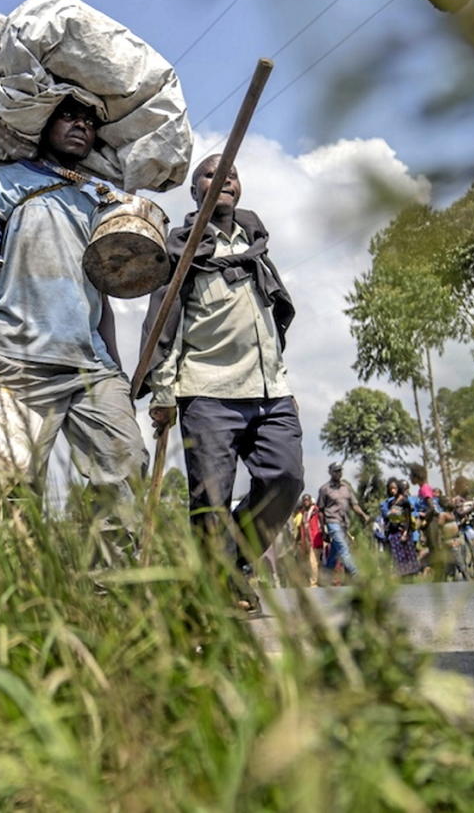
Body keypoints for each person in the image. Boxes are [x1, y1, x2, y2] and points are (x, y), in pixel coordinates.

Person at [0, 96, 147, 524]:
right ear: (43, 122)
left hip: (90, 365)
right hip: (18, 361)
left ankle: (106, 588)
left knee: (125, 467)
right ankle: (16, 590)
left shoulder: (99, 198)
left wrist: (116, 368)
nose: (81, 125)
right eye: (69, 115)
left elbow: (102, 295)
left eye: (90, 121)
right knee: (9, 488)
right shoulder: (1, 184)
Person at [139, 155, 303, 610]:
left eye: (231, 173)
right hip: (206, 389)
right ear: (195, 192)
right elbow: (166, 322)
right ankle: (219, 591)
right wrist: (163, 391)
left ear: (240, 187)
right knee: (210, 498)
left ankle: (229, 561)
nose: (223, 179)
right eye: (210, 174)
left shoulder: (255, 244)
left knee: (285, 478)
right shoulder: (182, 250)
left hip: (270, 389)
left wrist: (280, 380)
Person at [316, 463, 371, 580]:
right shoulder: (324, 489)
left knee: (334, 554)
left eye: (340, 471)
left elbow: (354, 505)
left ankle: (325, 576)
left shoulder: (346, 488)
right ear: (330, 472)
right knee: (344, 549)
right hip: (332, 522)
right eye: (336, 471)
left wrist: (363, 515)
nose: (338, 473)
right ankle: (357, 575)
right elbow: (320, 510)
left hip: (344, 523)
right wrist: (323, 529)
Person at [381, 478, 422, 579]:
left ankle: (410, 576)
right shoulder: (391, 502)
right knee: (398, 557)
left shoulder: (404, 501)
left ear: (399, 488)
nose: (392, 491)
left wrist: (405, 533)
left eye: (394, 488)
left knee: (407, 555)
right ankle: (402, 576)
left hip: (403, 532)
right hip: (394, 533)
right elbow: (391, 519)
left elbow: (407, 518)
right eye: (391, 489)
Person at [292, 494, 325, 587]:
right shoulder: (303, 513)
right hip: (305, 540)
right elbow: (300, 529)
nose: (306, 501)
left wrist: (324, 533)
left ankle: (314, 583)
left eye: (307, 500)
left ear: (310, 501)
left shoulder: (316, 511)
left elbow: (322, 522)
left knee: (313, 561)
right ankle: (311, 580)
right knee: (307, 562)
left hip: (315, 538)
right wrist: (296, 541)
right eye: (304, 500)